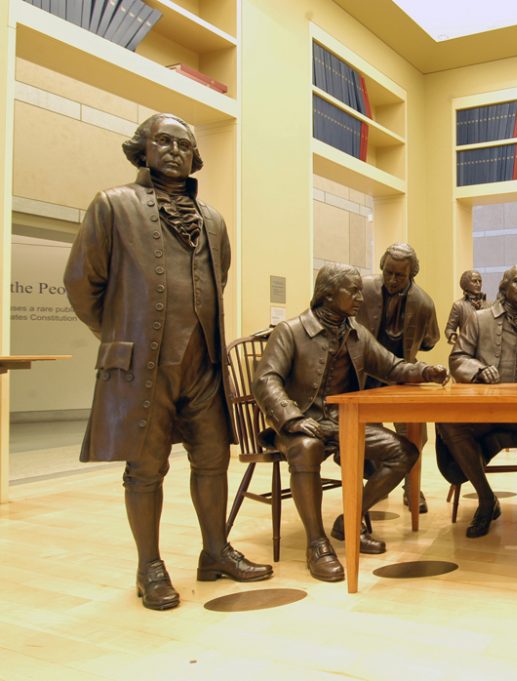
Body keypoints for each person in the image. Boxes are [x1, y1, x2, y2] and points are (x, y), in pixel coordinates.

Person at [64, 113, 272, 611]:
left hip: (202, 363)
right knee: (146, 467)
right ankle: (149, 566)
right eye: (164, 141)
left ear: (195, 156)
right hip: (143, 364)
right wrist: (119, 330)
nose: (175, 151)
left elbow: (216, 280)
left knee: (213, 458)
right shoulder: (113, 206)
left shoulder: (214, 220)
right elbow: (80, 284)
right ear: (143, 148)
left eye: (184, 144)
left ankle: (215, 550)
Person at [253, 264, 448, 582]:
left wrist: (426, 372)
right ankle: (317, 544)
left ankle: (350, 519)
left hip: (342, 423)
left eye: (360, 290)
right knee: (306, 447)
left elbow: (392, 366)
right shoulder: (291, 331)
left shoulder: (355, 333)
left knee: (405, 452)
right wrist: (291, 417)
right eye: (352, 291)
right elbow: (265, 380)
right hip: (300, 424)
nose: (360, 297)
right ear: (328, 294)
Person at [436, 265, 517, 539]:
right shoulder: (478, 319)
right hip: (484, 411)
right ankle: (486, 499)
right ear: (504, 288)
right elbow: (457, 358)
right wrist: (478, 370)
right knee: (448, 423)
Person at [356, 242, 441, 512]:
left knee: (413, 433)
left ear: (411, 275)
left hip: (402, 375)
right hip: (365, 373)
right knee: (367, 433)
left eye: (400, 275)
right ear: (382, 267)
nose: (392, 280)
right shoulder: (362, 290)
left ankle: (411, 487)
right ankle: (379, 481)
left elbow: (429, 341)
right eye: (389, 272)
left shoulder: (424, 303)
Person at [444, 269, 486, 343]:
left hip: (486, 349)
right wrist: (452, 336)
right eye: (474, 281)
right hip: (467, 347)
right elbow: (449, 328)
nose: (478, 284)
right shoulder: (459, 305)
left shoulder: (489, 305)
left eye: (480, 281)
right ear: (466, 284)